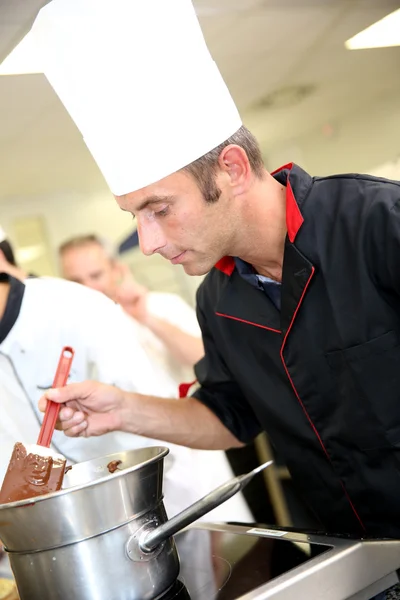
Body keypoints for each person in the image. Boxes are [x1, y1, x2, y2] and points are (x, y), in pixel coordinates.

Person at [30, 1, 400, 597]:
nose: (146, 243)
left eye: (158, 209)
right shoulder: (220, 298)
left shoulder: (377, 225)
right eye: (135, 216)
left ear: (230, 169)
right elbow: (228, 417)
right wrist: (121, 408)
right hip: (348, 564)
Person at [0, 266, 252, 597]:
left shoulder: (73, 307)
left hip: (151, 530)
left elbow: (158, 434)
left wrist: (182, 529)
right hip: (46, 559)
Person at [58, 234, 203, 381]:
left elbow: (203, 358)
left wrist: (147, 318)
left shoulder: (164, 305)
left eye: (96, 276)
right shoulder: (67, 331)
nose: (87, 287)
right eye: (76, 280)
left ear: (116, 270)